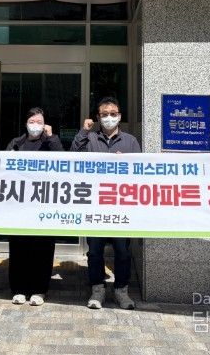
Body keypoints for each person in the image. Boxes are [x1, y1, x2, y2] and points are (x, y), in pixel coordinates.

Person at [70, 96, 141, 310]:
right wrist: (83, 132)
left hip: (121, 205)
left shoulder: (130, 141)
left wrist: (125, 164)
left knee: (122, 251)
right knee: (95, 250)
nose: (109, 117)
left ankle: (121, 291)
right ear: (98, 117)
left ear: (119, 116)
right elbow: (73, 157)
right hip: (95, 204)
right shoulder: (90, 139)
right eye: (104, 114)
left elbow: (140, 171)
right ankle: (97, 289)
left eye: (113, 114)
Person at [6, 107, 64, 306]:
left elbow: (62, 160)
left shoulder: (50, 142)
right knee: (19, 247)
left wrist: (51, 137)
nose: (35, 125)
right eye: (32, 121)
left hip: (44, 203)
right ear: (26, 123)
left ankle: (39, 289)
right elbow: (5, 167)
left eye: (39, 121)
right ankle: (19, 288)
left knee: (42, 247)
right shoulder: (16, 143)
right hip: (20, 204)